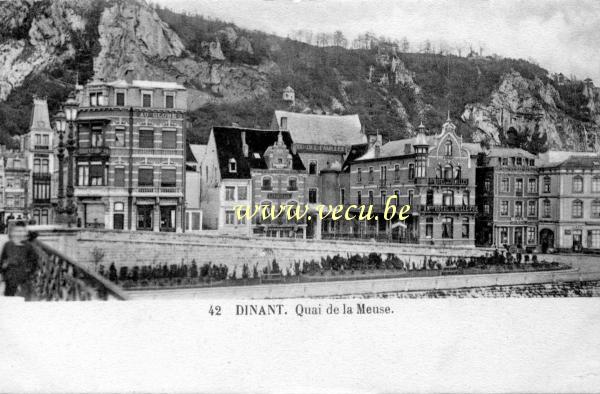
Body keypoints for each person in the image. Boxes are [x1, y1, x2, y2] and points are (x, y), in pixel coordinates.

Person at [0, 221, 40, 299]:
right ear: (13, 233)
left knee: (23, 301)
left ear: (25, 233)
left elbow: (34, 262)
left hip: (24, 281)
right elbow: (2, 261)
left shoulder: (28, 247)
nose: (19, 233)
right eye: (17, 231)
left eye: (21, 231)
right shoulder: (8, 245)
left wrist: (27, 272)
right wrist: (4, 269)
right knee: (10, 300)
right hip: (10, 280)